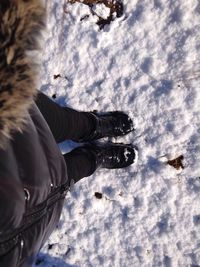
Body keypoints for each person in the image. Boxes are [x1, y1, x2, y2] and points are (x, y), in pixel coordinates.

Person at [0, 1, 136, 266]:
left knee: (62, 123)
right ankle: (94, 156)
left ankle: (90, 126)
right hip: (30, 232)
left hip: (17, 125)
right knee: (67, 175)